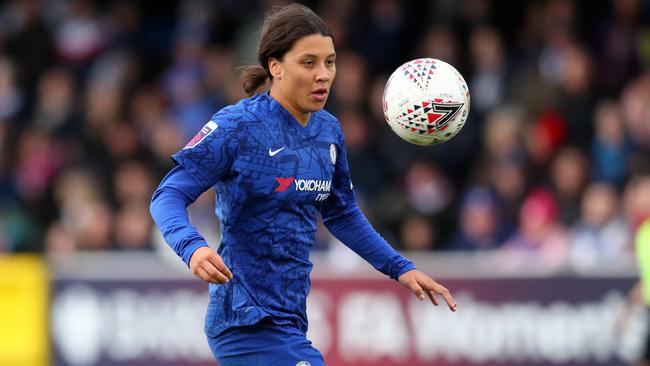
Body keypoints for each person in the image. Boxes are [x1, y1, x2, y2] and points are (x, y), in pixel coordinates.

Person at [150, 4, 456, 366]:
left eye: (330, 62)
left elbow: (341, 213)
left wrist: (399, 267)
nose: (323, 74)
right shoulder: (237, 126)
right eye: (308, 62)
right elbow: (167, 196)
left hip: (290, 321)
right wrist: (192, 247)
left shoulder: (328, 131)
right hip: (244, 320)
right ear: (275, 66)